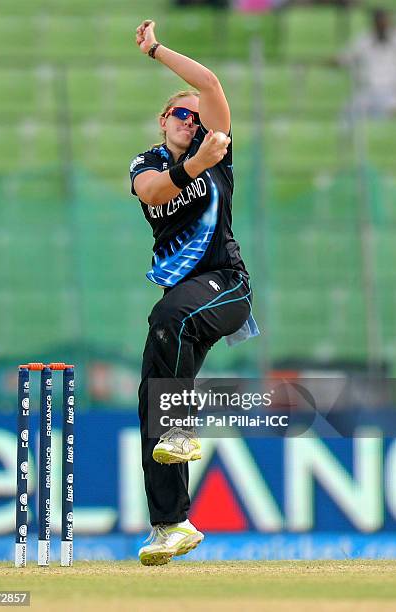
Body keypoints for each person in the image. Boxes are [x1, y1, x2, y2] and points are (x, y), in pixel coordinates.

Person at [130, 19, 259, 566]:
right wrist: (192, 168)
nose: (193, 120)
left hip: (226, 288)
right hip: (184, 301)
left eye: (198, 117)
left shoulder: (218, 153)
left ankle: (183, 427)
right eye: (182, 114)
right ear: (164, 121)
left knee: (171, 316)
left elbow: (211, 85)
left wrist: (157, 50)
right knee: (151, 399)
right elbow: (154, 190)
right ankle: (173, 524)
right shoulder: (147, 164)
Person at [339, 8, 396, 118]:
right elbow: (343, 58)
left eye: (384, 22)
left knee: (388, 115)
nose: (382, 25)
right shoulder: (364, 39)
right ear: (374, 23)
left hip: (393, 91)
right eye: (379, 22)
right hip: (368, 91)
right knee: (347, 113)